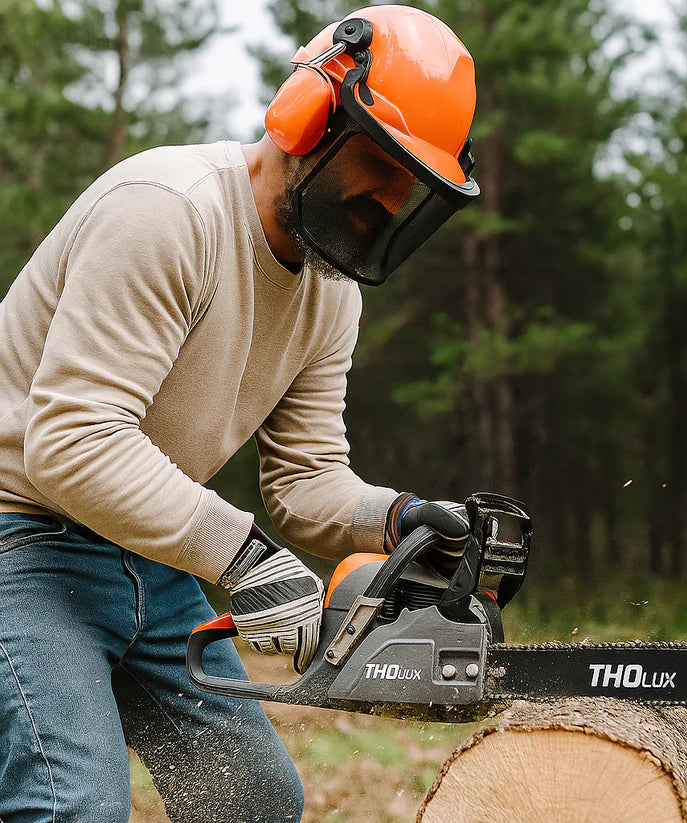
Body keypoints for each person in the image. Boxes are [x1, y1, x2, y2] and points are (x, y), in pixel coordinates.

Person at [0, 5, 480, 822]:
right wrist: (246, 557)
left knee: (252, 800)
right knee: (71, 802)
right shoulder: (166, 211)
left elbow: (304, 479)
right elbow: (73, 444)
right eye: (379, 165)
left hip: (150, 554)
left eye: (406, 186)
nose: (384, 199)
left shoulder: (329, 289)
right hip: (21, 538)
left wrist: (398, 520)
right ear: (308, 114)